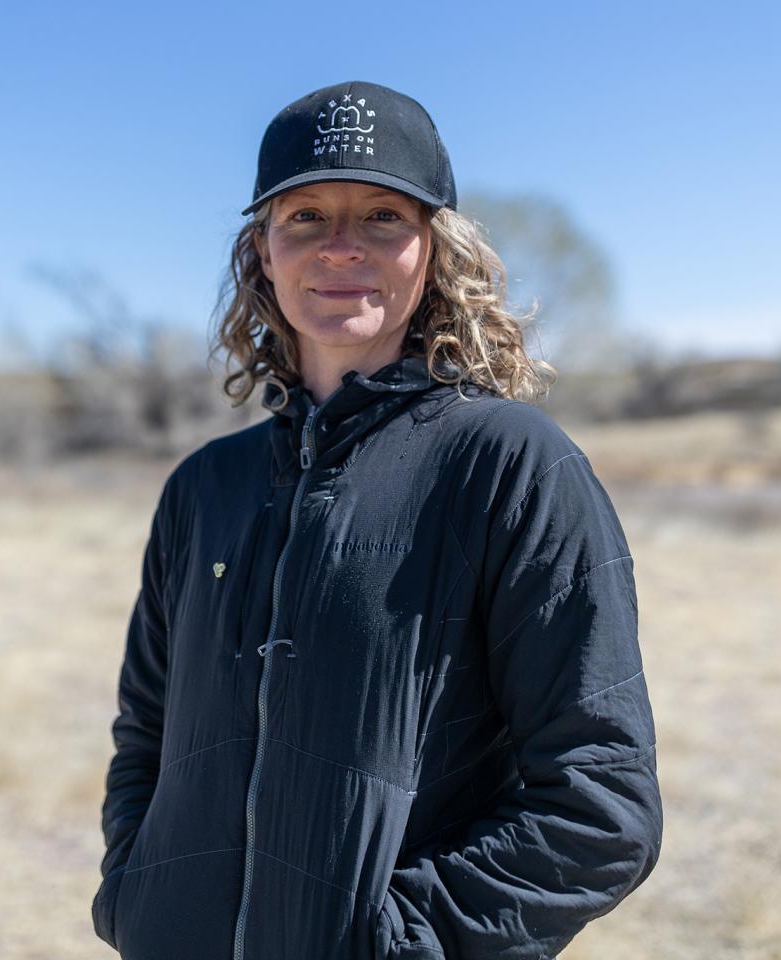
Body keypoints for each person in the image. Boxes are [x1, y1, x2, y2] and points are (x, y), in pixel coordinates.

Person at [92, 80, 662, 960]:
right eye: (306, 217)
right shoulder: (205, 487)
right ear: (263, 254)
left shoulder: (509, 466)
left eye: (384, 217)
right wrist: (138, 896)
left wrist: (395, 945)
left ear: (436, 251)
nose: (340, 248)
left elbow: (601, 805)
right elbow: (146, 736)